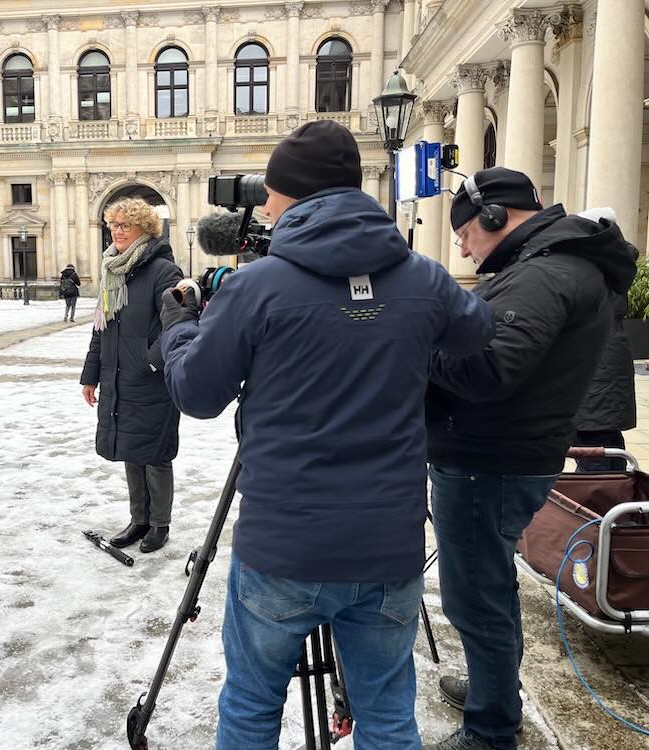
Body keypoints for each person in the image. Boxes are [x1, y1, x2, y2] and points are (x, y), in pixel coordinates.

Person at [158, 120, 496, 750]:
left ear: (296, 198)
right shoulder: (421, 276)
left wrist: (179, 329)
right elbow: (477, 336)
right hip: (387, 543)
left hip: (284, 544)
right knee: (388, 712)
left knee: (254, 703)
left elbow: (198, 394)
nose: (263, 203)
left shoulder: (258, 285)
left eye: (272, 192)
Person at [425, 168, 637, 750]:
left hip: (488, 459)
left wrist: (418, 344)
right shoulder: (549, 266)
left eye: (466, 231)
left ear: (496, 216)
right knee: (489, 586)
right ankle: (496, 691)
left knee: (476, 597)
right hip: (500, 453)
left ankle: (491, 728)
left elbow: (490, 367)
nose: (463, 247)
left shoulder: (546, 272)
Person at [80, 198, 183, 554]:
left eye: (125, 224)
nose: (117, 230)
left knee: (154, 453)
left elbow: (179, 324)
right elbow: (102, 329)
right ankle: (139, 519)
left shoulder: (164, 271)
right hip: (117, 376)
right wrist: (90, 374)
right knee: (130, 450)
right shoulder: (114, 270)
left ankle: (159, 524)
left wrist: (150, 362)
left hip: (150, 380)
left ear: (145, 229)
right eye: (113, 224)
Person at [572, 209, 639, 472]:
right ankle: (614, 505)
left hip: (595, 387)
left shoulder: (594, 272)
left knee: (595, 461)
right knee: (609, 452)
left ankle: (603, 510)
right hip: (603, 388)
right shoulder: (612, 268)